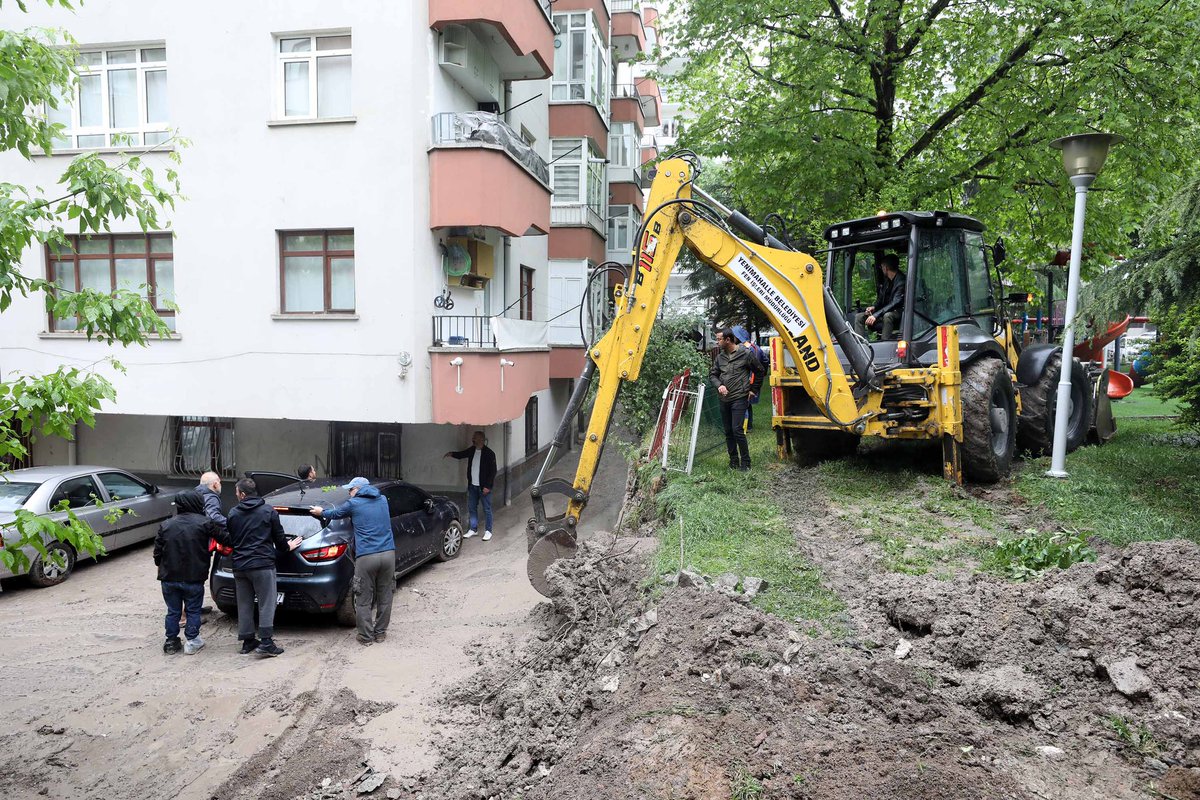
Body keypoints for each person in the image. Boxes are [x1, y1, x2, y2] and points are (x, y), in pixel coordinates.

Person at [211, 477, 302, 657]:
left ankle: (247, 640)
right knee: (267, 603)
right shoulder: (268, 512)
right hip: (262, 565)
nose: (236, 495)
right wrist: (288, 546)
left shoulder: (234, 513)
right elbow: (279, 540)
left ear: (243, 494)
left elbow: (232, 540)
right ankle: (266, 642)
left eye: (237, 492)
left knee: (244, 603)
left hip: (240, 566)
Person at [309, 477, 395, 645]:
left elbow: (335, 514)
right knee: (385, 595)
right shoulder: (383, 499)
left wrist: (321, 512)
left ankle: (365, 636)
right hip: (388, 554)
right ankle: (380, 633)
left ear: (358, 489)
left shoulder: (353, 504)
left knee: (363, 597)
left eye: (350, 490)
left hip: (367, 557)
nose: (349, 493)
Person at [153, 490, 218, 655]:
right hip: (194, 577)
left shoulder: (166, 524)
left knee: (173, 611)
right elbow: (226, 539)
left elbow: (157, 552)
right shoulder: (205, 523)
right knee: (193, 610)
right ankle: (192, 641)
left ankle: (171, 642)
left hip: (169, 577)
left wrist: (161, 565)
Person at [711, 326, 766, 471]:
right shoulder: (720, 357)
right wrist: (719, 385)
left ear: (727, 340)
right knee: (728, 431)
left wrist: (754, 390)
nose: (717, 342)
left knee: (737, 430)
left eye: (719, 339)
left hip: (739, 398)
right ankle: (733, 461)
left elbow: (760, 371)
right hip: (724, 399)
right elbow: (713, 375)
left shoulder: (746, 354)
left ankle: (746, 463)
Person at [443, 431, 496, 541]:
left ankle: (488, 531)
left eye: (475, 438)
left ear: (481, 439)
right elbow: (462, 454)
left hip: (484, 487)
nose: (473, 439)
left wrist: (488, 486)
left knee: (487, 509)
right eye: (473, 438)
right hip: (472, 486)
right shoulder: (472, 450)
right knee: (472, 508)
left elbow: (493, 471)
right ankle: (473, 529)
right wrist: (452, 454)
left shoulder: (489, 453)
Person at [852, 253, 905, 339]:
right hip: (884, 311)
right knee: (859, 317)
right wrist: (873, 307)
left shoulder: (901, 281)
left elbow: (895, 302)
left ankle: (884, 342)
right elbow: (881, 299)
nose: (882, 269)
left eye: (882, 267)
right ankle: (859, 344)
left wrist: (875, 315)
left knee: (888, 316)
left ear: (886, 268)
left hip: (899, 312)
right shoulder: (887, 281)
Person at [731, 325, 769, 432]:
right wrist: (763, 373)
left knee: (743, 404)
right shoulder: (757, 348)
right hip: (754, 379)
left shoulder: (742, 349)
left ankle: (744, 427)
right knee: (748, 404)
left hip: (747, 380)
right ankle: (749, 426)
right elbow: (765, 362)